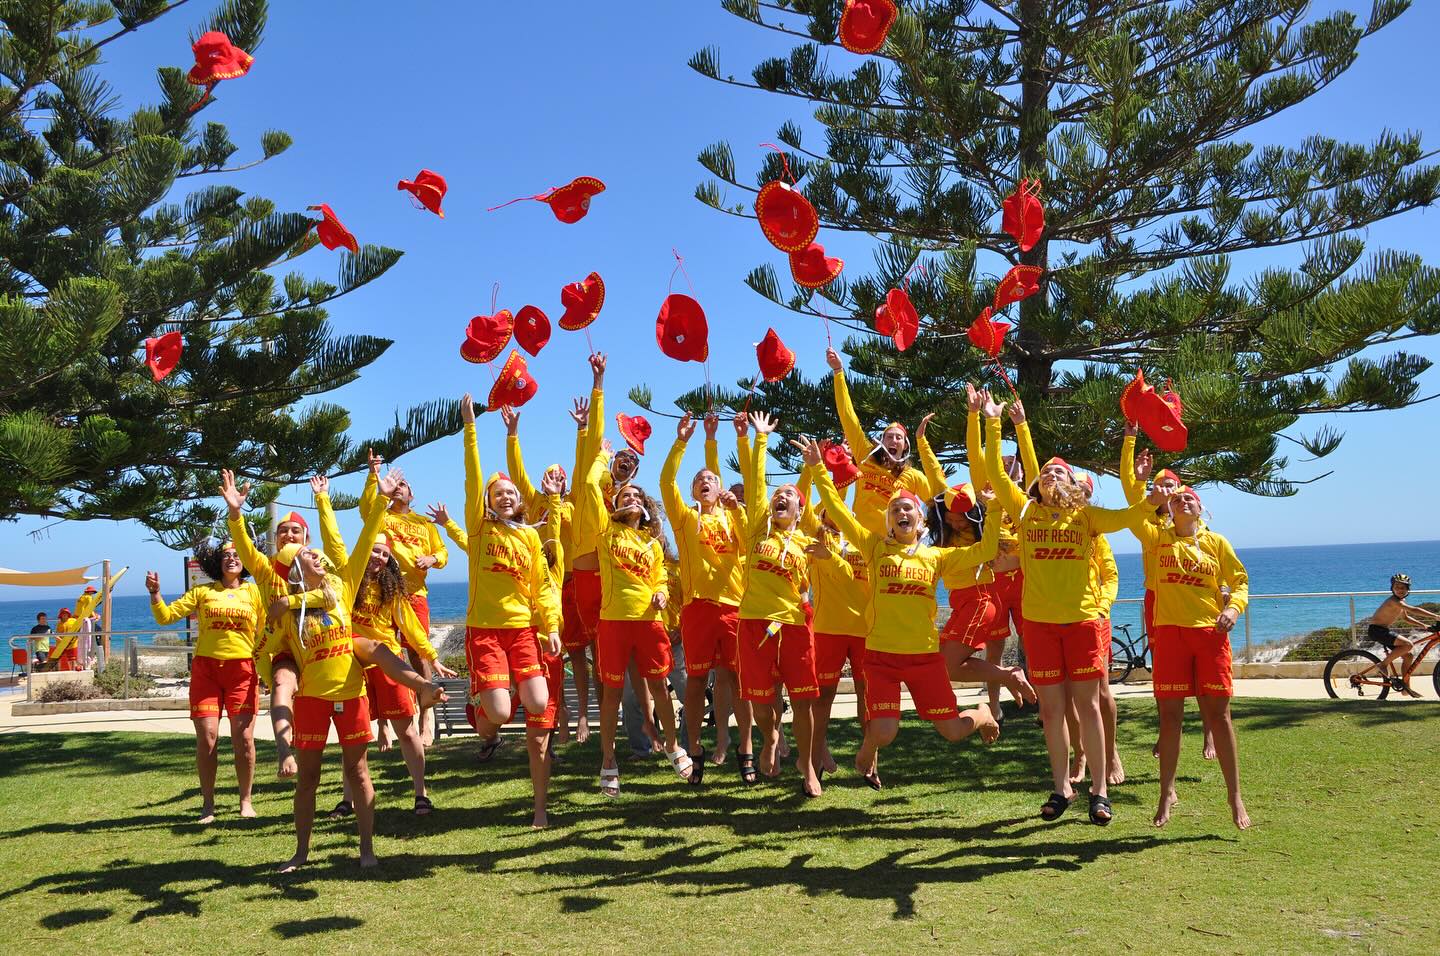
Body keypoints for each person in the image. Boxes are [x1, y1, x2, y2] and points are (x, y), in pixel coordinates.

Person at [225, 468, 446, 871]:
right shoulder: (280, 590)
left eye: (309, 547)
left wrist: (377, 499)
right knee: (306, 773)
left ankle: (367, 848)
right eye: (303, 553)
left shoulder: (342, 582)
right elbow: (255, 558)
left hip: (348, 682)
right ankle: (300, 843)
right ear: (293, 567)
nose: (310, 553)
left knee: (359, 766)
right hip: (307, 684)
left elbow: (357, 543)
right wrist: (236, 517)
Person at [982, 390, 1155, 825]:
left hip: (1081, 623)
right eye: (1045, 472)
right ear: (1037, 484)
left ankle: (1099, 790)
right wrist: (995, 423)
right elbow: (994, 474)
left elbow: (1129, 517)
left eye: (1060, 472)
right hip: (1040, 627)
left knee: (1090, 706)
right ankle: (1062, 786)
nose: (1052, 476)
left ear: (1074, 484)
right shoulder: (1024, 513)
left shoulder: (1088, 518)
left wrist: (1150, 497)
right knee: (1050, 711)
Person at [797, 434, 1002, 791]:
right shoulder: (874, 547)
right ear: (888, 522)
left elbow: (985, 550)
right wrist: (817, 468)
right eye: (894, 510)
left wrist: (995, 508)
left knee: (953, 732)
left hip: (924, 660)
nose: (901, 512)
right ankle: (869, 746)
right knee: (884, 733)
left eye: (908, 508)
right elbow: (840, 511)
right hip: (881, 659)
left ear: (920, 522)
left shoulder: (935, 556)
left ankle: (983, 713)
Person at [310, 475, 455, 817]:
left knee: (406, 730)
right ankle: (348, 800)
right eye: (373, 550)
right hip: (351, 662)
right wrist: (322, 500)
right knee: (354, 737)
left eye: (384, 553)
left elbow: (412, 628)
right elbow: (332, 539)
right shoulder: (348, 577)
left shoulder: (394, 590)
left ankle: (421, 793)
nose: (377, 557)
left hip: (386, 660)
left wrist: (431, 657)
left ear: (391, 560)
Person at [451, 393, 562, 827]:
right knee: (497, 714)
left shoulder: (531, 539)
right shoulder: (478, 530)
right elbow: (472, 475)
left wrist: (549, 625)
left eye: (512, 493)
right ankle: (479, 705)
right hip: (485, 631)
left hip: (523, 633)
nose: (507, 497)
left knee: (536, 701)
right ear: (488, 501)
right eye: (499, 493)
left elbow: (543, 589)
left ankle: (539, 813)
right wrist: (471, 429)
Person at [1126, 485, 1251, 830]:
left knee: (1220, 716)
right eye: (1176, 497)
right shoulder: (1157, 539)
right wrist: (1145, 489)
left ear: (1200, 509)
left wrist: (1234, 610)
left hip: (1209, 635)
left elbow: (1239, 582)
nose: (1182, 500)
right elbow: (1134, 517)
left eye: (1188, 498)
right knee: (1169, 718)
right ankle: (1166, 791)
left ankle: (1234, 795)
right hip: (1169, 634)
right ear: (1169, 507)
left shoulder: (1217, 542)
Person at [576, 423, 689, 797]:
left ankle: (673, 747)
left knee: (659, 687)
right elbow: (591, 486)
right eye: (626, 496)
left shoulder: (653, 545)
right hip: (613, 624)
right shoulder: (605, 534)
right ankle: (608, 759)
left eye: (637, 496)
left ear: (645, 506)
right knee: (611, 694)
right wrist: (602, 458)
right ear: (616, 503)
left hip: (649, 624)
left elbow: (659, 578)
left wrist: (659, 593)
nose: (632, 499)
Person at [915, 398, 1036, 715]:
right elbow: (938, 476)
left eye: (962, 515)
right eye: (952, 513)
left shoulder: (996, 514)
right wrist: (922, 442)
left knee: (950, 664)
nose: (956, 518)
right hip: (971, 596)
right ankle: (991, 704)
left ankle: (1012, 685)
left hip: (985, 594)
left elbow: (981, 460)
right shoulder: (954, 515)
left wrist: (992, 420)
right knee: (949, 662)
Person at [660, 411, 752, 784]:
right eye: (699, 480)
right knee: (696, 681)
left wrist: (737, 511)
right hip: (697, 609)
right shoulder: (685, 520)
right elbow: (667, 480)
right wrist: (683, 441)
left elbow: (750, 545)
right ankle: (695, 747)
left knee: (738, 681)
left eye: (711, 478)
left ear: (721, 487)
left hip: (733, 608)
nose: (705, 481)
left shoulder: (735, 517)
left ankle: (745, 749)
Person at [736, 412, 823, 794]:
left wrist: (829, 557)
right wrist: (760, 439)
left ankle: (807, 768)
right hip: (758, 622)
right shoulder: (758, 529)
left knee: (802, 701)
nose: (780, 498)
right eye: (778, 496)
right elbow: (755, 487)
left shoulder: (807, 541)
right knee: (763, 695)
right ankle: (771, 737)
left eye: (788, 496)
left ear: (801, 511)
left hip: (791, 624)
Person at [148, 542, 266, 823]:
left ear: (245, 561)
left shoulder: (255, 592)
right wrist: (155, 593)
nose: (231, 559)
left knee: (245, 740)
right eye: (225, 555)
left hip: (243, 671)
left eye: (237, 555)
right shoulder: (203, 592)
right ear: (216, 562)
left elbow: (265, 633)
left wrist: (266, 667)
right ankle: (208, 803)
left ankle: (245, 800)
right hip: (206, 671)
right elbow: (165, 617)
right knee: (208, 739)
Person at [501, 397, 594, 745]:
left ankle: (582, 714)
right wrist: (513, 435)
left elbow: (584, 469)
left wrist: (582, 431)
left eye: (559, 475)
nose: (553, 479)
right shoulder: (533, 500)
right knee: (544, 655)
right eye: (548, 475)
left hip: (568, 584)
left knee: (579, 657)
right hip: (537, 586)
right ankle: (560, 716)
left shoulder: (570, 505)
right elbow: (517, 469)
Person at [1121, 430, 1217, 759]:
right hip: (1156, 601)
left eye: (1168, 488)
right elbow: (1133, 500)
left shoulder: (1189, 528)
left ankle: (1209, 733)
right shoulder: (1151, 526)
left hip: (1193, 606)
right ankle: (1168, 733)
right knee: (1163, 675)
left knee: (1202, 674)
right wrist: (1135, 463)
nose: (1162, 492)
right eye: (1158, 487)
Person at [359, 447, 449, 746]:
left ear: (412, 494)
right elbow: (366, 509)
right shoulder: (382, 517)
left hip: (414, 595)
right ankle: (384, 721)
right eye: (394, 483)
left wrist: (433, 559)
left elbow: (444, 552)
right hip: (382, 594)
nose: (398, 487)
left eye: (404, 484)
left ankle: (426, 719)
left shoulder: (424, 524)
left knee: (418, 654)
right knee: (379, 653)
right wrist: (373, 476)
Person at [825, 347, 943, 536]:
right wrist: (838, 371)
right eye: (889, 436)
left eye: (899, 438)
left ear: (905, 446)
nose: (893, 440)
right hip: (861, 542)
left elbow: (940, 503)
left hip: (895, 545)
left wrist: (922, 528)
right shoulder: (864, 455)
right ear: (881, 441)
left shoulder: (913, 476)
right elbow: (848, 417)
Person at [564, 354, 614, 743]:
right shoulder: (578, 498)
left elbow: (596, 454)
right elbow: (592, 448)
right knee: (585, 656)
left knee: (607, 657)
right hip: (575, 581)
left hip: (609, 581)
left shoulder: (616, 506)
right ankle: (585, 718)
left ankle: (619, 724)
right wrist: (597, 385)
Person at [1364, 573, 1440, 697]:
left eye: (1403, 587)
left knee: (1408, 656)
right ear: (1392, 588)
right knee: (1408, 644)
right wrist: (1436, 616)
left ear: (1408, 590)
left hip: (1382, 630)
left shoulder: (1401, 601)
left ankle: (1406, 688)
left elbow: (1406, 617)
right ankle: (1382, 664)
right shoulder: (1394, 601)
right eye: (1397, 587)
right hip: (1377, 630)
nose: (1400, 590)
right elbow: (1413, 609)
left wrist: (1423, 625)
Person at [50, 583, 104, 672]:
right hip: (81, 618)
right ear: (91, 592)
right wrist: (95, 616)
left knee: (72, 655)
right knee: (98, 631)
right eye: (92, 593)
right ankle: (95, 652)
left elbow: (85, 608)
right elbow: (89, 608)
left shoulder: (81, 597)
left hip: (77, 617)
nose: (92, 594)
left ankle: (85, 660)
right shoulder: (88, 597)